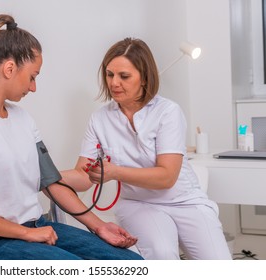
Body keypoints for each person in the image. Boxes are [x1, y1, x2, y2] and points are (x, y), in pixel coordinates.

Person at [0, 14, 143, 260]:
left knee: (131, 262)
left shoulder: (23, 119)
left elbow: (51, 182)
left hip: (35, 226)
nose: (33, 87)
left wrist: (98, 225)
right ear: (9, 69)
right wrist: (24, 234)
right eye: (32, 76)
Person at [61, 38, 232, 260]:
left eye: (124, 76)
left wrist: (114, 172)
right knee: (161, 255)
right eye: (110, 74)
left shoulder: (167, 112)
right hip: (139, 204)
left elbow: (166, 177)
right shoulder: (100, 119)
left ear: (144, 77)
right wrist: (44, 176)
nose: (114, 83)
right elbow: (83, 177)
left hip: (185, 201)